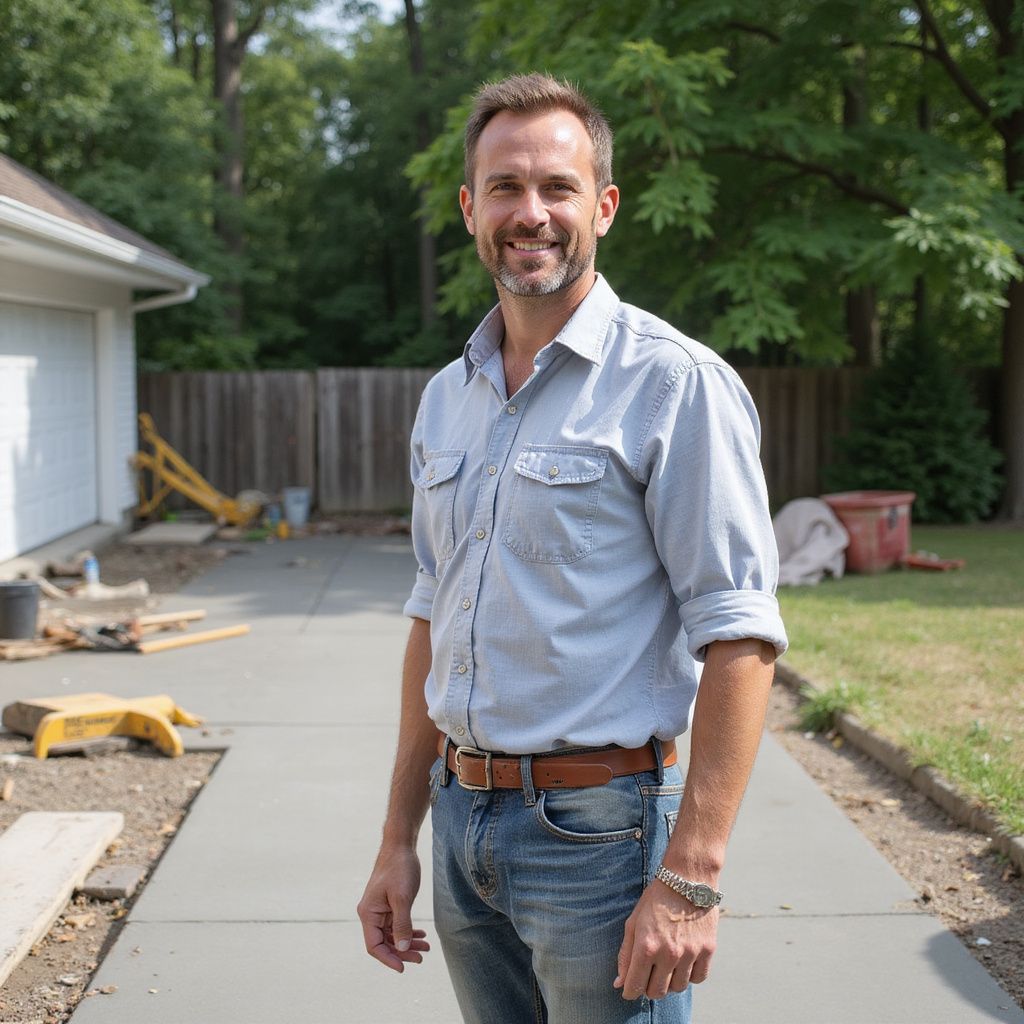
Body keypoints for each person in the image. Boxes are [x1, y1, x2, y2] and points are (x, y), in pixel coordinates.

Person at [357, 72, 788, 1024]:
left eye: (557, 186)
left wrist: (691, 879)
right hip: (464, 823)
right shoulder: (447, 397)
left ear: (604, 204)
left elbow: (742, 635)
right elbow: (435, 614)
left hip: (600, 838)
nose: (532, 212)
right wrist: (399, 839)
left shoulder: (673, 385)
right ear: (472, 208)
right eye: (506, 187)